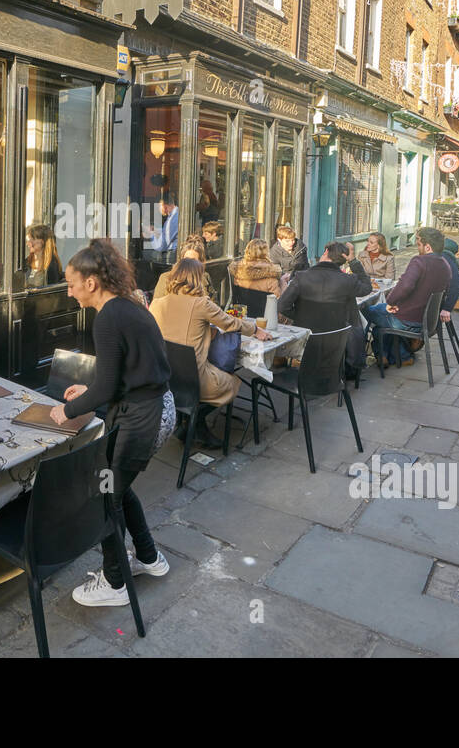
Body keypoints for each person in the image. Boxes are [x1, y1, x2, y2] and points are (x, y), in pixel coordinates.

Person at [51, 240, 176, 607]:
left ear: (91, 282)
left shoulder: (107, 317)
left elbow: (107, 387)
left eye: (72, 284)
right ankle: (150, 558)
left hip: (143, 417)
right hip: (155, 408)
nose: (69, 292)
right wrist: (88, 388)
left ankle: (115, 583)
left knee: (104, 495)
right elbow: (123, 373)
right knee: (118, 486)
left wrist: (67, 412)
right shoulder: (128, 307)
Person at [149, 259, 270, 447]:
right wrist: (255, 330)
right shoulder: (201, 304)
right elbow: (231, 323)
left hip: (166, 377)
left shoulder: (157, 304)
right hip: (195, 380)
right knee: (232, 381)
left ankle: (190, 424)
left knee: (214, 372)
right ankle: (195, 423)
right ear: (197, 278)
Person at [279, 241, 372, 376]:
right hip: (337, 338)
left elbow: (282, 305)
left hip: (307, 335)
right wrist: (353, 261)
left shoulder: (301, 277)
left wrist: (300, 316)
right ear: (342, 260)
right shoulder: (347, 280)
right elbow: (367, 287)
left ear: (326, 253)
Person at [364, 226, 452, 366]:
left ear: (428, 247)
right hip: (429, 321)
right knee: (380, 326)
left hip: (407, 320)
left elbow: (405, 286)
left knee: (369, 311)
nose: (418, 248)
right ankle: (402, 356)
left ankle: (383, 356)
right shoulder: (446, 265)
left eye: (418, 244)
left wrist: (389, 303)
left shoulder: (419, 261)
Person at [25, 223, 63, 288]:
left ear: (42, 241)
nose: (27, 243)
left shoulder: (52, 265)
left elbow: (52, 294)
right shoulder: (26, 262)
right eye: (27, 240)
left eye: (31, 240)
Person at [144, 190, 179, 256]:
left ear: (163, 205)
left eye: (159, 207)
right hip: (174, 254)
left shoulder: (172, 220)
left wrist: (151, 234)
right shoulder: (177, 214)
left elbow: (161, 247)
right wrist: (156, 231)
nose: (159, 210)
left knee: (147, 254)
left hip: (172, 255)